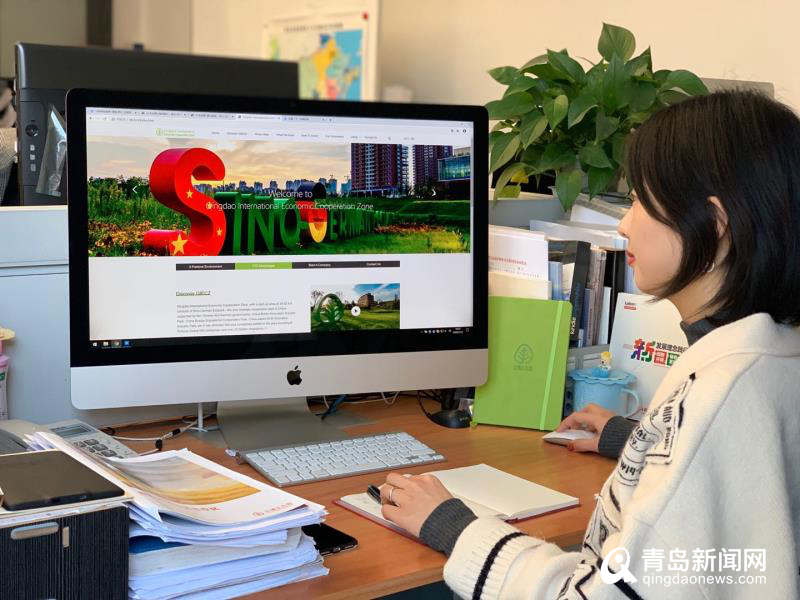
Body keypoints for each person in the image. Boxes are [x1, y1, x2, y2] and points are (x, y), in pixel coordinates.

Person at [379, 90, 800, 599]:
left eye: (640, 200)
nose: (623, 224)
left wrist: (454, 526)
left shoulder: (723, 393)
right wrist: (642, 443)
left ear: (714, 225)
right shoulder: (773, 355)